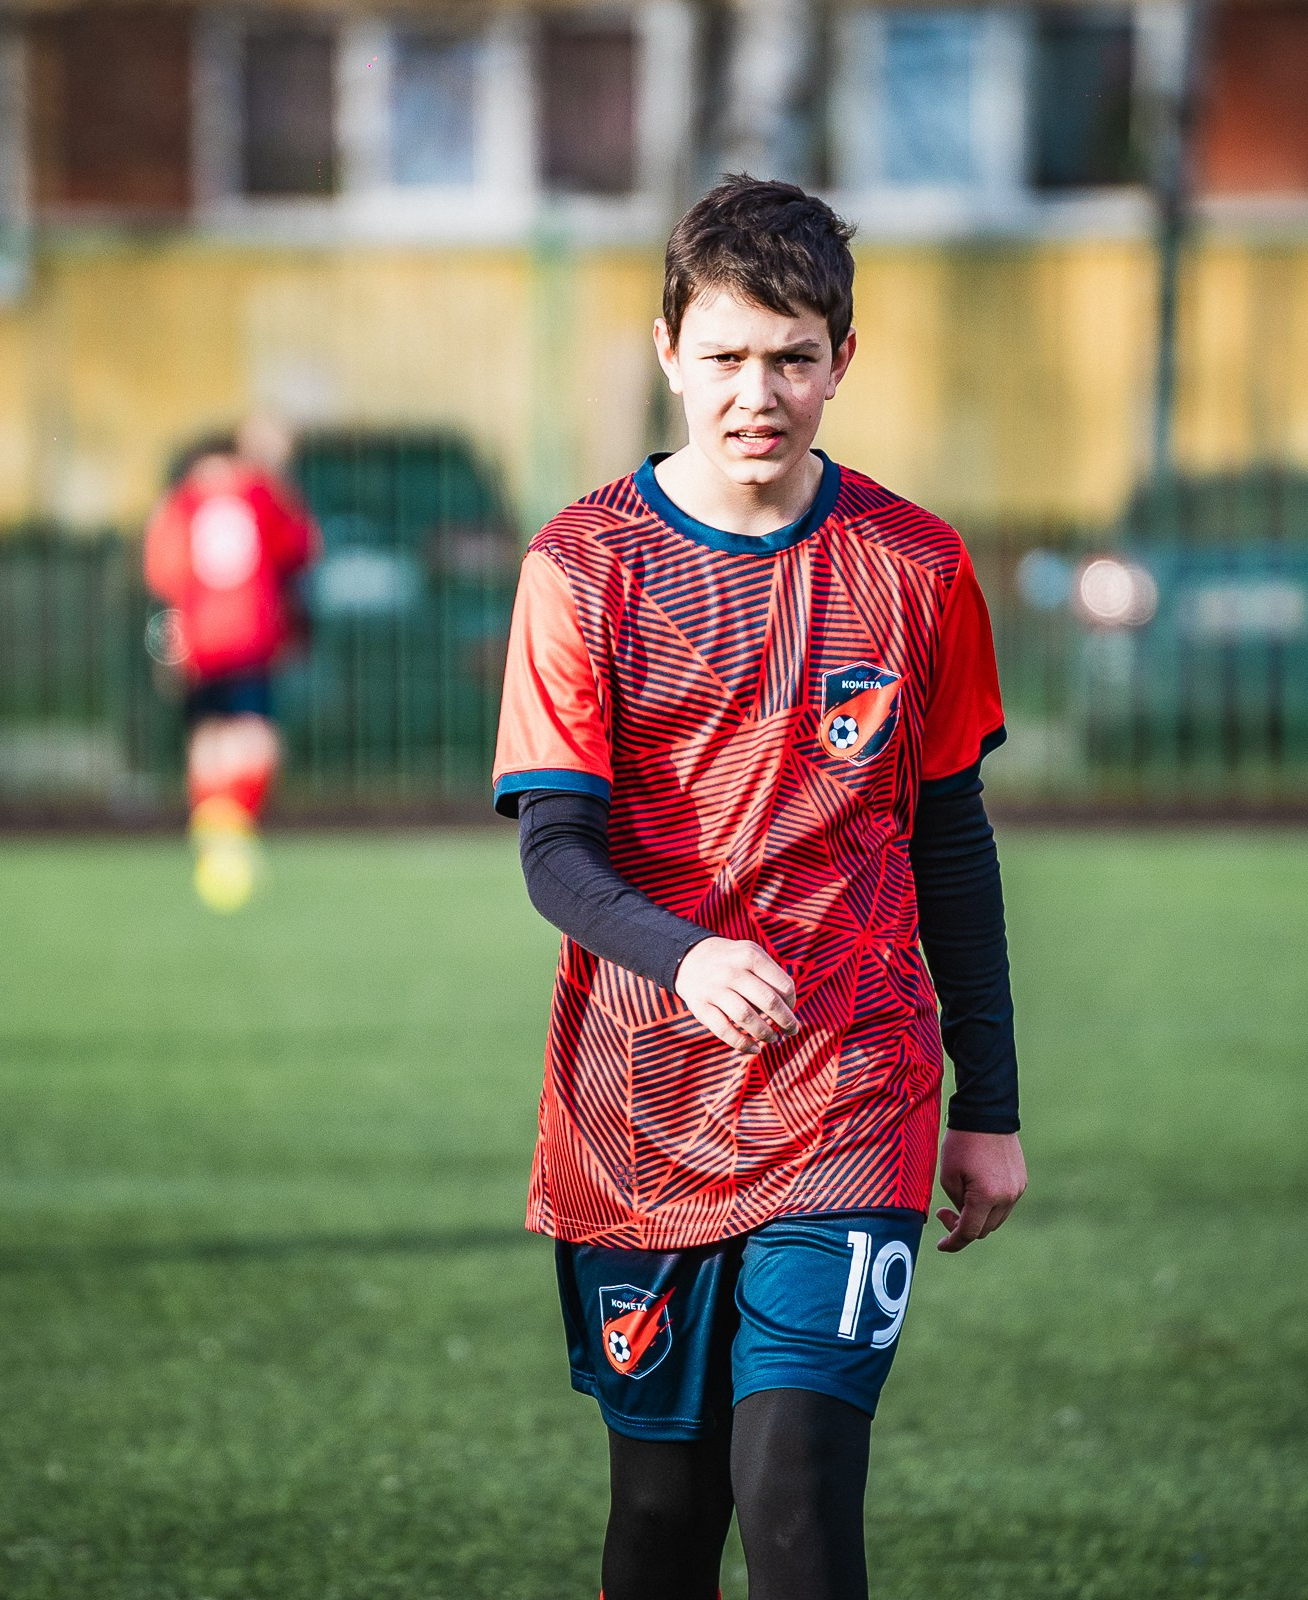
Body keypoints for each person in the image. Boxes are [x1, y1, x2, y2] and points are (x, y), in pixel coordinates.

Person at [492, 176, 1029, 1600]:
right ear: (667, 348)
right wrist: (684, 958)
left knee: (794, 1502)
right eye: (726, 356)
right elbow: (553, 852)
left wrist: (993, 1105)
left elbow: (951, 846)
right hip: (641, 1117)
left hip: (855, 1088)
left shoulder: (917, 568)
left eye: (793, 358)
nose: (759, 393)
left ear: (841, 362)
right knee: (663, 1524)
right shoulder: (583, 567)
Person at [143, 418, 318, 911]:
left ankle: (212, 830)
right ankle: (233, 830)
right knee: (255, 737)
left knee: (209, 736)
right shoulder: (260, 491)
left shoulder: (181, 501)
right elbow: (301, 544)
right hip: (249, 633)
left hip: (198, 638)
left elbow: (163, 570)